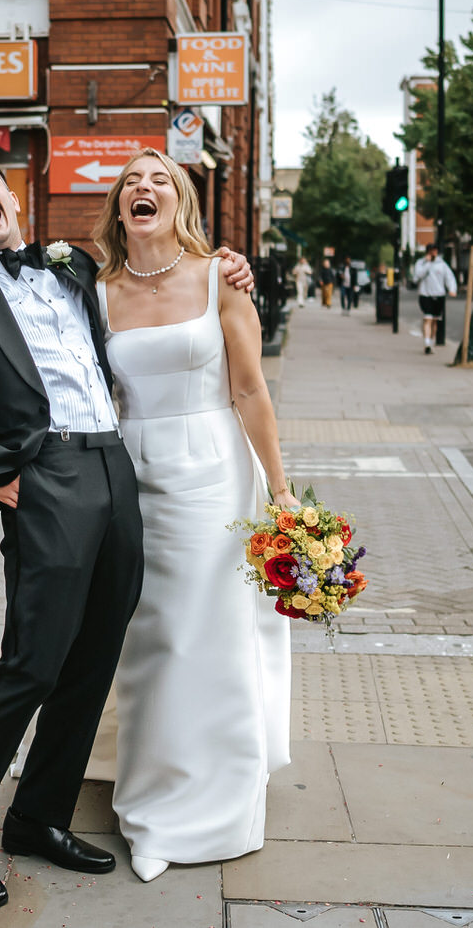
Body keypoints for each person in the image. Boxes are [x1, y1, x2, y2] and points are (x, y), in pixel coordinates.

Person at [0, 154, 251, 909]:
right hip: (44, 479)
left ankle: (38, 817)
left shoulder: (75, 268)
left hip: (116, 469)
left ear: (10, 195)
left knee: (94, 659)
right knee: (32, 663)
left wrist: (229, 266)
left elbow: (151, 278)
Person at [91, 147, 295, 882]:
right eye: (131, 184)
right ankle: (150, 800)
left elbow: (250, 392)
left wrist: (281, 490)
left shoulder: (220, 279)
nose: (144, 190)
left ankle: (220, 802)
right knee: (150, 637)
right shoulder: (95, 290)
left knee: (207, 633)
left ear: (182, 202)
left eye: (160, 182)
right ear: (120, 207)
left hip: (213, 470)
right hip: (132, 473)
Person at [413, 243, 457, 354]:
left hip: (439, 295)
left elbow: (449, 277)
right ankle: (427, 343)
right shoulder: (421, 263)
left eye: (435, 251)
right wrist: (427, 264)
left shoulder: (441, 264)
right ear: (427, 252)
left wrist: (452, 289)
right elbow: (417, 276)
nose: (433, 253)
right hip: (425, 295)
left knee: (434, 321)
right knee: (427, 318)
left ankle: (431, 341)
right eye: (431, 251)